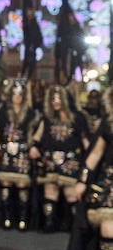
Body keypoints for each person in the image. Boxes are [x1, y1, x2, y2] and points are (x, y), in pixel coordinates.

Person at [65, 86, 113, 250]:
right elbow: (95, 154)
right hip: (110, 183)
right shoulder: (109, 123)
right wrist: (82, 181)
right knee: (108, 228)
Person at [30, 84, 90, 233]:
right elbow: (37, 136)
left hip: (71, 160)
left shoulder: (78, 117)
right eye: (52, 99)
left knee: (71, 193)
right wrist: (33, 147)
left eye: (58, 99)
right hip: (51, 159)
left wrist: (90, 159)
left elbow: (85, 140)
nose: (55, 102)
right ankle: (49, 224)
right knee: (50, 191)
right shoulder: (48, 118)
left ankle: (74, 226)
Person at [0, 79, 37, 230]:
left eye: (20, 94)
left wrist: (33, 147)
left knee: (21, 184)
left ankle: (22, 219)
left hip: (22, 152)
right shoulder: (2, 111)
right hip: (6, 151)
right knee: (5, 182)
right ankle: (6, 217)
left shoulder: (31, 114)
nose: (17, 97)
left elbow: (34, 133)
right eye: (15, 94)